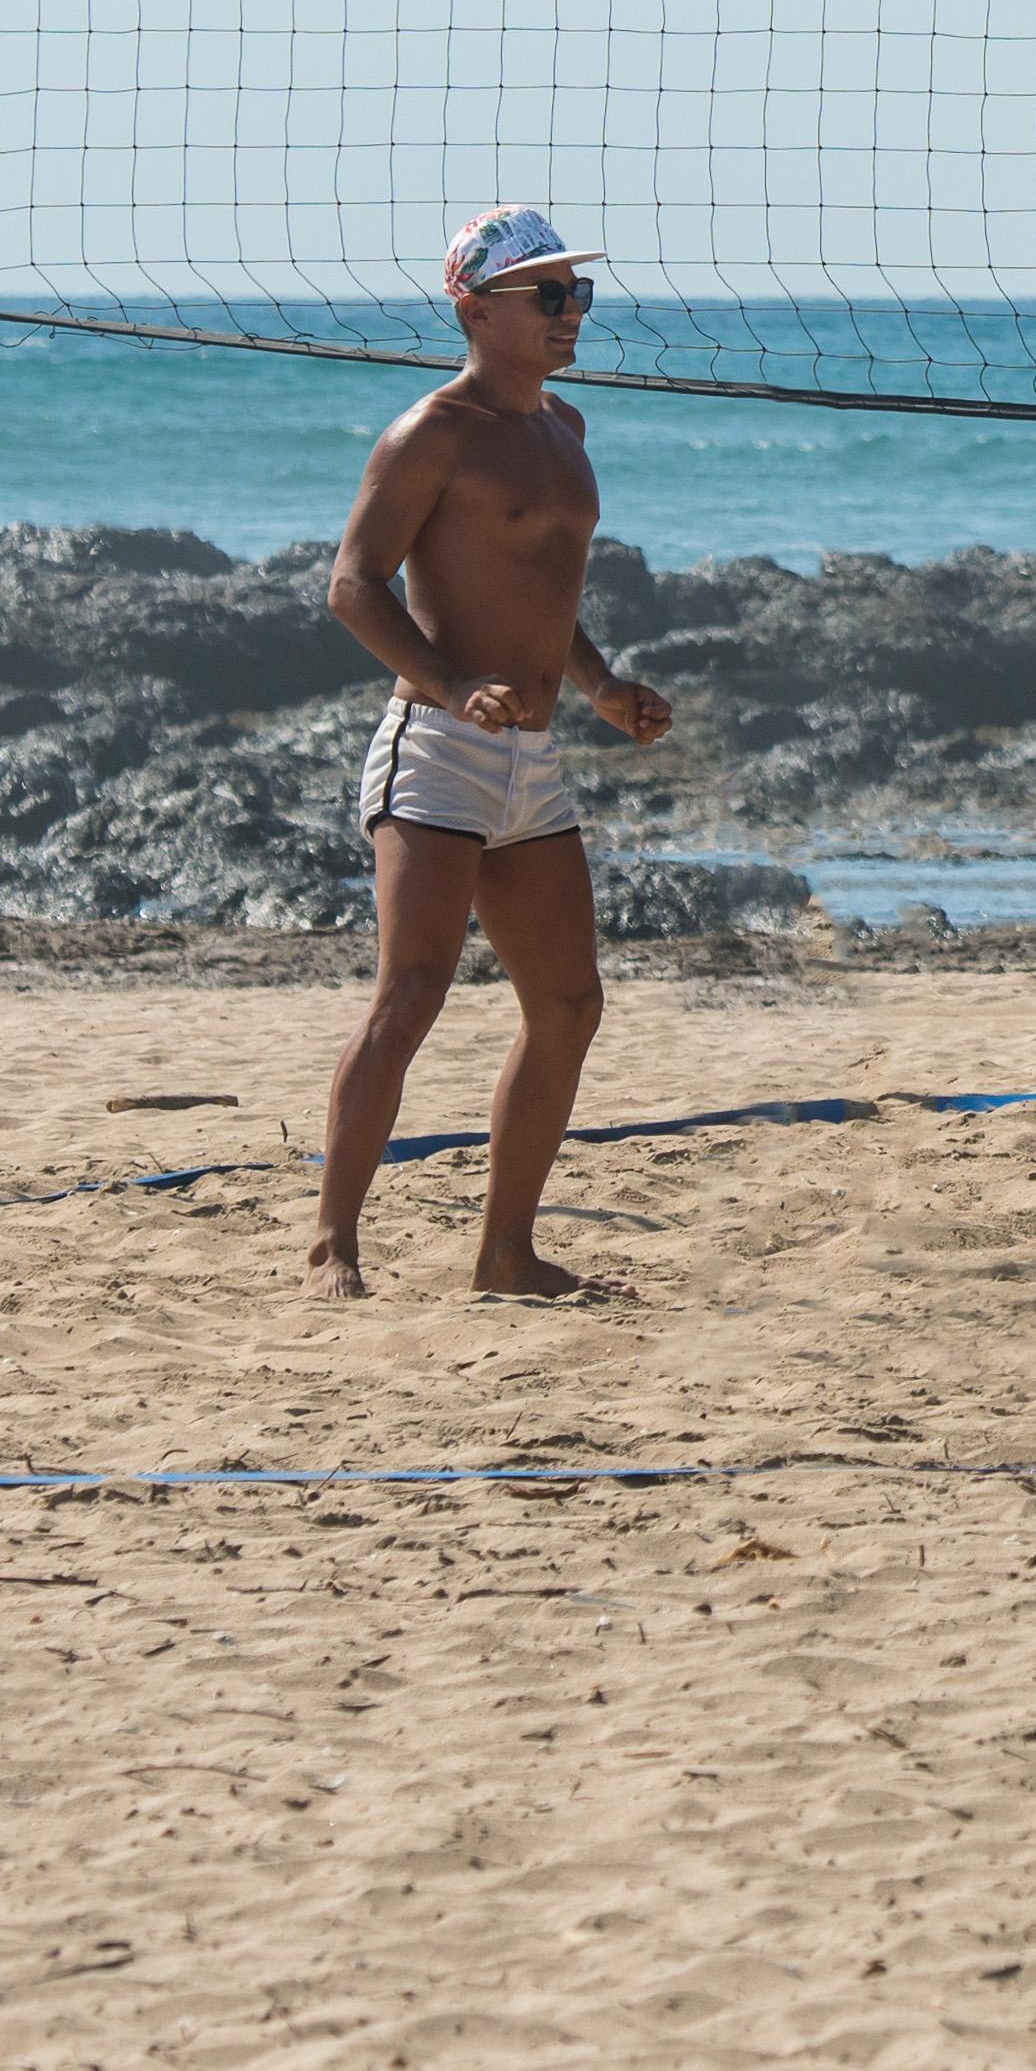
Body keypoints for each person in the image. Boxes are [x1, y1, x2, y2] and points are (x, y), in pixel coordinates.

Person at [308, 207, 681, 1301]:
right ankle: (334, 1240)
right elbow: (351, 584)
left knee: (569, 1004)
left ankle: (505, 1254)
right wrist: (445, 682)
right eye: (549, 295)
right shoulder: (431, 432)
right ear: (475, 307)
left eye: (578, 294)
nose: (573, 312)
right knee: (411, 993)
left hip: (533, 756)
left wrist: (603, 686)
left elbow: (541, 593)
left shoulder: (564, 423)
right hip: (436, 748)